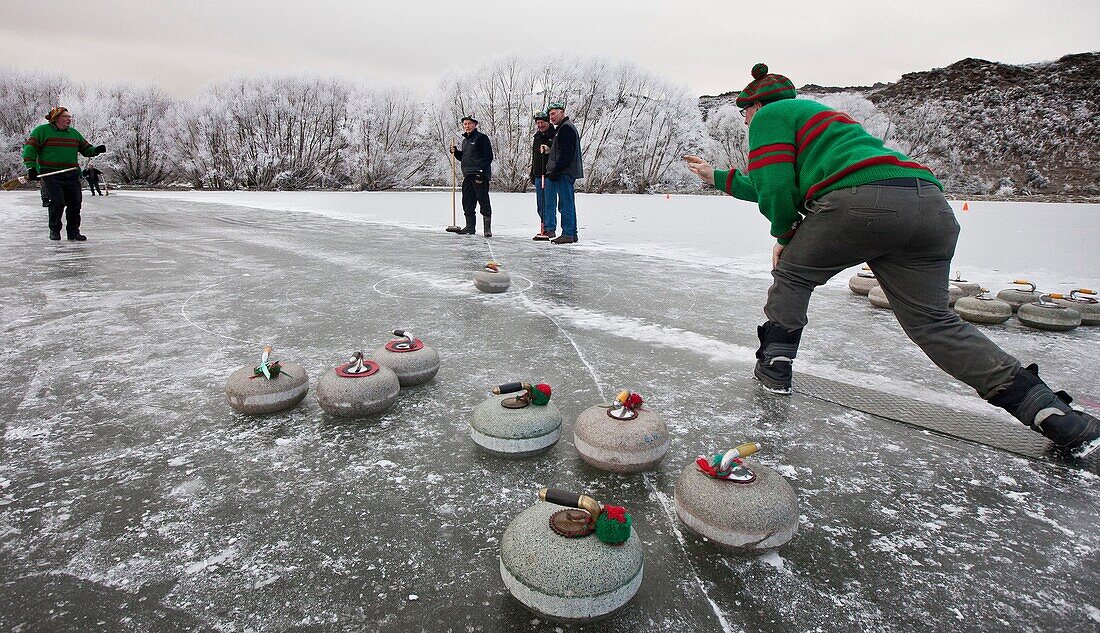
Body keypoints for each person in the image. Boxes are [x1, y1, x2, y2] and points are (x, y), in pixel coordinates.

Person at [684, 63, 1099, 458]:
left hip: (859, 204)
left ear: (758, 103)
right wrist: (715, 177)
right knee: (933, 323)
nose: (743, 120)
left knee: (791, 276)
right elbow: (772, 181)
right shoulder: (825, 119)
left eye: (744, 110)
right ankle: (1054, 416)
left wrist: (784, 236)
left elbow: (776, 187)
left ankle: (774, 369)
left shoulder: (771, 115)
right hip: (929, 206)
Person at [23, 107, 106, 241]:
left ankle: (73, 232)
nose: (69, 119)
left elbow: (86, 149)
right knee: (58, 202)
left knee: (75, 203)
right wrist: (31, 167)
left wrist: (96, 150)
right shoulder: (42, 131)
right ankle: (55, 230)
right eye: (65, 116)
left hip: (71, 173)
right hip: (50, 173)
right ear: (56, 118)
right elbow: (30, 149)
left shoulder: (73, 133)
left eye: (69, 116)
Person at [544, 102, 584, 244]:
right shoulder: (563, 128)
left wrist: (556, 170)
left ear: (562, 112)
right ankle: (572, 232)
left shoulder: (565, 128)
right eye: (549, 115)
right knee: (568, 202)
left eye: (553, 113)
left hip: (565, 172)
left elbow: (566, 153)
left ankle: (568, 233)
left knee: (565, 203)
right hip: (566, 171)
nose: (551, 117)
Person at [449, 113, 493, 236]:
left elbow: (488, 156)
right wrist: (456, 152)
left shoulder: (481, 138)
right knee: (467, 201)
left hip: (479, 175)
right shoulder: (465, 141)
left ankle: (487, 229)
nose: (467, 126)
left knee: (483, 200)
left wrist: (481, 171)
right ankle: (470, 227)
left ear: (475, 125)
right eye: (465, 124)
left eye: (469, 124)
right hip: (468, 175)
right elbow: (465, 158)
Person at [530, 110, 556, 240]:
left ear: (548, 122)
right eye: (538, 123)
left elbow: (557, 153)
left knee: (549, 203)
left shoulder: (554, 135)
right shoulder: (537, 137)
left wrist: (549, 150)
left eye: (542, 122)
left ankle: (550, 228)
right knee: (540, 204)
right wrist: (532, 173)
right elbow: (534, 157)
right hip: (538, 174)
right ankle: (544, 226)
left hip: (549, 175)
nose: (540, 125)